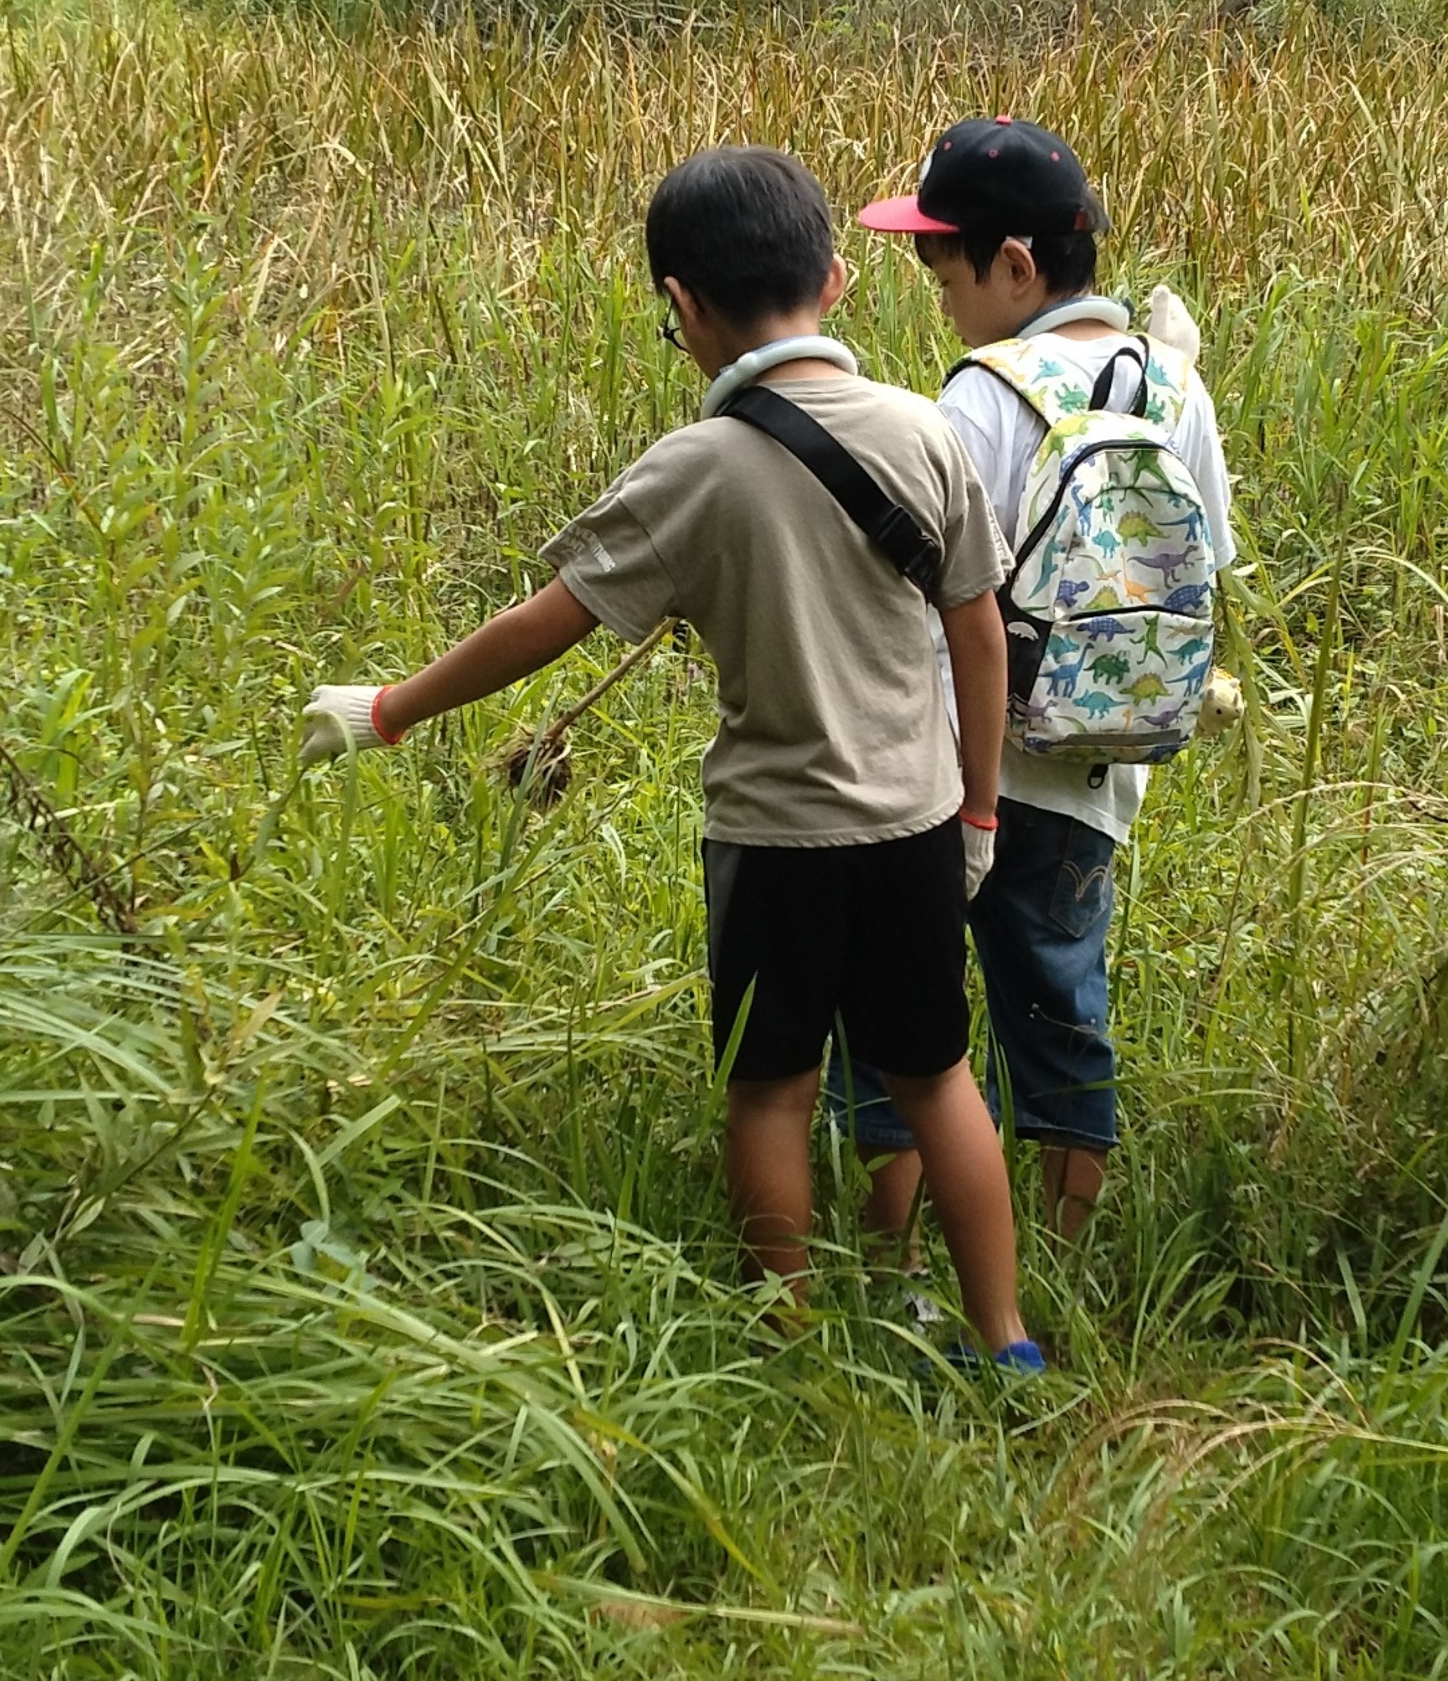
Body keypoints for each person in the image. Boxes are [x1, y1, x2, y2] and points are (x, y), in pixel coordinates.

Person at [297, 144, 1046, 1369]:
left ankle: (788, 1347)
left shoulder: (694, 470)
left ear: (686, 305)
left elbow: (541, 624)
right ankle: (1005, 1336)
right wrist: (976, 818)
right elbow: (977, 633)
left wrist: (391, 708)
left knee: (772, 1094)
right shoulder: (927, 431)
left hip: (775, 842)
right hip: (917, 830)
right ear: (838, 283)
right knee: (938, 1084)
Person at [842, 116, 1236, 1247]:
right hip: (1098, 767)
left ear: (1013, 264)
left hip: (960, 766)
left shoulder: (982, 395)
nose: (938, 293)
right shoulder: (1174, 385)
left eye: (940, 266)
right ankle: (1064, 1249)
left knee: (905, 1006)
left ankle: (893, 1249)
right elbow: (1208, 565)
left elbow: (928, 594)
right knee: (1062, 1001)